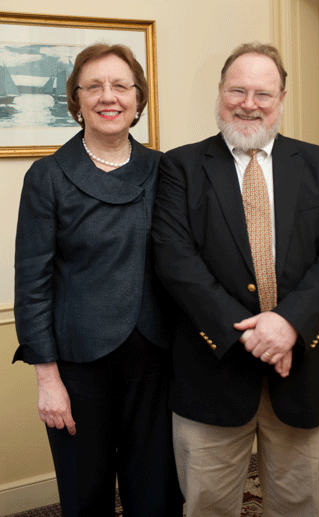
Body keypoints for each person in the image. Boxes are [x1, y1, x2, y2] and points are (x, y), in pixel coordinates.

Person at [152, 42, 319, 517]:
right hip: (213, 369)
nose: (249, 103)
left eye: (263, 93)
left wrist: (287, 323)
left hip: (301, 369)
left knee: (297, 504)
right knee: (207, 506)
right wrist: (252, 337)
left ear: (282, 98)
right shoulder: (180, 168)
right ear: (220, 93)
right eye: (238, 90)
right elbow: (175, 260)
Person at [14, 43, 182, 517]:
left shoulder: (164, 169)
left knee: (158, 497)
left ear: (137, 98)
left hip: (156, 362)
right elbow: (31, 285)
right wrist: (47, 380)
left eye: (121, 86)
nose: (109, 96)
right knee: (85, 499)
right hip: (77, 366)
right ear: (77, 100)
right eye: (94, 86)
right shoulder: (46, 176)